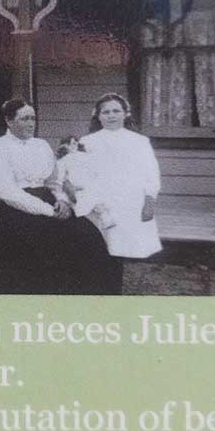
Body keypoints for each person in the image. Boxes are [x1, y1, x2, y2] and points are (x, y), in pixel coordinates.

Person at [0, 98, 111, 294]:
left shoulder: (41, 146)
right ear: (9, 120)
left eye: (33, 118)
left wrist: (61, 201)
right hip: (8, 214)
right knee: (45, 247)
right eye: (25, 118)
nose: (31, 123)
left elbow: (53, 182)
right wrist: (49, 211)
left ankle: (83, 299)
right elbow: (9, 193)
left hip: (47, 202)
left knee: (88, 236)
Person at [79, 93, 162, 292]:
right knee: (100, 248)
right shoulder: (88, 142)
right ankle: (98, 290)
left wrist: (149, 200)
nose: (111, 115)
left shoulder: (139, 141)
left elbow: (151, 172)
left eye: (116, 111)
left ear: (125, 114)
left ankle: (114, 289)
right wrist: (89, 201)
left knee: (119, 248)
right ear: (98, 116)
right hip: (98, 202)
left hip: (128, 202)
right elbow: (80, 173)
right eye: (105, 112)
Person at [55, 136, 116, 231]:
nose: (74, 145)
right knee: (86, 203)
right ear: (65, 146)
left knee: (97, 198)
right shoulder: (63, 161)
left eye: (75, 143)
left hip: (88, 186)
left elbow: (95, 172)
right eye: (71, 144)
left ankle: (104, 216)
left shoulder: (84, 157)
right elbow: (60, 180)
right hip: (75, 190)